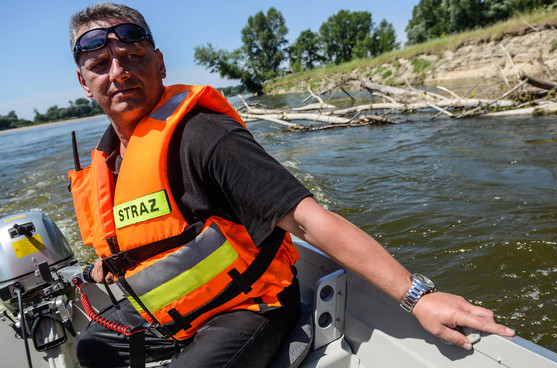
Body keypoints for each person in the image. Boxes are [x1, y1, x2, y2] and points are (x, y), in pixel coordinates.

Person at [67, 3, 515, 368]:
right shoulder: (110, 162)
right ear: (84, 82)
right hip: (173, 316)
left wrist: (418, 296)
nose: (119, 72)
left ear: (159, 63)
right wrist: (103, 268)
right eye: (100, 64)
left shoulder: (204, 136)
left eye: (133, 57)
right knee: (91, 348)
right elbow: (151, 244)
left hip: (245, 310)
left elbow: (307, 220)